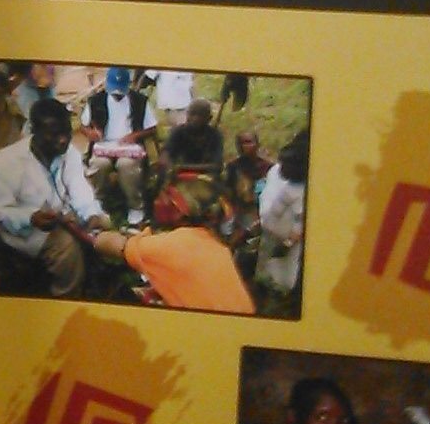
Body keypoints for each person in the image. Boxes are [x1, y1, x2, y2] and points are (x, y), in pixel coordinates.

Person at [0, 97, 112, 296]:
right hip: (21, 229)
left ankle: (99, 280)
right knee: (67, 248)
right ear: (33, 131)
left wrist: (91, 214)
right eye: (53, 135)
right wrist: (31, 218)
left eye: (66, 133)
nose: (62, 140)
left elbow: (79, 188)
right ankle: (66, 297)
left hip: (59, 216)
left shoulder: (68, 153)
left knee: (103, 223)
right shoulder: (6, 161)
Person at [90, 173, 255, 314]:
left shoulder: (169, 246)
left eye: (165, 196)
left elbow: (105, 244)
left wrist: (98, 231)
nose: (158, 201)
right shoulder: (217, 245)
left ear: (178, 209)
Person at [81, 66, 157, 224]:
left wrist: (135, 135)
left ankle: (135, 206)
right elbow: (83, 126)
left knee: (127, 166)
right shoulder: (96, 100)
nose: (117, 96)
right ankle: (99, 202)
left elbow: (152, 128)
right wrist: (91, 134)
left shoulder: (139, 101)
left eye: (120, 92)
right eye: (114, 92)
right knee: (98, 164)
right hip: (104, 145)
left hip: (129, 147)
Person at [255, 131, 309, 295]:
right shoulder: (283, 180)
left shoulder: (301, 191)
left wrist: (286, 245)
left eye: (287, 164)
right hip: (270, 235)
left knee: (281, 279)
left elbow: (300, 224)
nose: (282, 167)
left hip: (286, 245)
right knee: (264, 274)